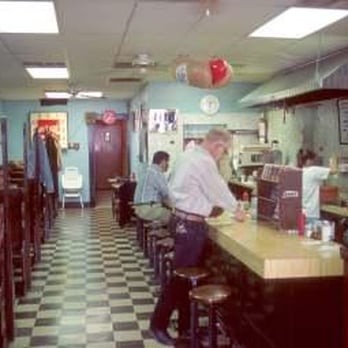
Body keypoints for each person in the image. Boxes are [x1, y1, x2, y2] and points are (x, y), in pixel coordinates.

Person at [149, 128, 243, 346]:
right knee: (180, 279)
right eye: (224, 151)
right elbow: (218, 189)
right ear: (217, 145)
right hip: (189, 224)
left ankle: (186, 329)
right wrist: (236, 209)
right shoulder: (203, 161)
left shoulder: (188, 154)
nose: (223, 155)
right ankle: (158, 324)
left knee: (184, 279)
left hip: (181, 220)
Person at [133, 151, 172, 223]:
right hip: (148, 209)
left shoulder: (146, 170)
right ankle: (159, 232)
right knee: (174, 217)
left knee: (165, 210)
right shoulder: (157, 173)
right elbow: (166, 193)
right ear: (163, 162)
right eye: (167, 162)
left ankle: (157, 230)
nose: (168, 164)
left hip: (138, 208)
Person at [302, 150, 336, 222]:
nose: (314, 162)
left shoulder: (299, 171)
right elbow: (334, 171)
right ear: (308, 160)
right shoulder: (313, 170)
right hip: (311, 212)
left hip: (301, 212)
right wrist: (333, 158)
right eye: (313, 160)